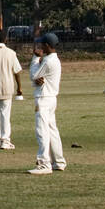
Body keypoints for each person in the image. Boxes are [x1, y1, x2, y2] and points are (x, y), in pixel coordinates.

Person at [28, 33, 66, 175]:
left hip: (43, 98)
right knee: (52, 130)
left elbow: (33, 75)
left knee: (42, 131)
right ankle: (59, 162)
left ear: (48, 46)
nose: (40, 46)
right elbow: (37, 78)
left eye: (42, 44)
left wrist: (35, 58)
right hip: (50, 98)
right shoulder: (53, 60)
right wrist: (36, 78)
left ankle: (44, 164)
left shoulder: (48, 61)